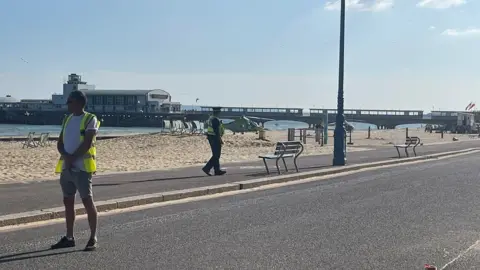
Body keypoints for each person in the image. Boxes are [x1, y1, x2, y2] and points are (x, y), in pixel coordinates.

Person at [51, 90, 100, 251]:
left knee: (87, 201)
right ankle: (69, 236)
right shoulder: (67, 119)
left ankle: (93, 237)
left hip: (82, 169)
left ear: (79, 102)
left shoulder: (89, 119)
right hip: (67, 168)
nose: (67, 104)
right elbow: (60, 142)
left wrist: (73, 157)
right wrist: (65, 156)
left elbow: (87, 142)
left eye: (70, 101)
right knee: (68, 201)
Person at [202, 107, 226, 176]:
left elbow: (209, 128)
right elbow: (216, 131)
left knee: (216, 155)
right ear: (218, 112)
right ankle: (207, 168)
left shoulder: (211, 118)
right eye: (219, 112)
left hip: (211, 137)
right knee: (216, 155)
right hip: (214, 138)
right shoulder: (215, 119)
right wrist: (220, 139)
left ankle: (217, 170)